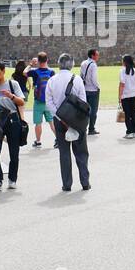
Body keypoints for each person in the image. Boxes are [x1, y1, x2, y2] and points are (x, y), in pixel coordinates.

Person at [45, 53, 90, 191]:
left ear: (59, 63)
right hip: (76, 120)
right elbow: (83, 101)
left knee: (64, 153)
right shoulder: (76, 79)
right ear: (71, 64)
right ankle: (85, 182)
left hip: (59, 121)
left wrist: (60, 117)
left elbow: (49, 103)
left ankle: (67, 184)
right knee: (81, 152)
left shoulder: (51, 80)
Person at [0, 60, 26, 193]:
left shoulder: (12, 84)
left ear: (3, 71)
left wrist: (11, 96)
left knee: (14, 153)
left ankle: (12, 180)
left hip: (13, 120)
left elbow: (21, 102)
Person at [26, 52, 55, 148]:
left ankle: (38, 141)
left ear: (38, 61)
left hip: (38, 101)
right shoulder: (51, 72)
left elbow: (24, 72)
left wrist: (31, 64)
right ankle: (58, 139)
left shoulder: (34, 72)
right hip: (49, 101)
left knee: (38, 123)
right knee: (51, 122)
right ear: (47, 60)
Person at [79, 48, 101, 135]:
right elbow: (94, 79)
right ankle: (91, 128)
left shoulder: (83, 63)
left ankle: (82, 128)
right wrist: (98, 87)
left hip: (84, 89)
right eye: (97, 55)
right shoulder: (93, 65)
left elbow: (81, 75)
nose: (98, 56)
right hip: (92, 90)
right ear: (93, 55)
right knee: (93, 110)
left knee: (84, 110)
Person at [118, 54, 135, 138]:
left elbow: (122, 84)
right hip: (134, 94)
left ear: (125, 61)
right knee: (133, 113)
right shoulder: (134, 70)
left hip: (125, 95)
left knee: (127, 114)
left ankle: (129, 132)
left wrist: (119, 96)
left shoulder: (122, 71)